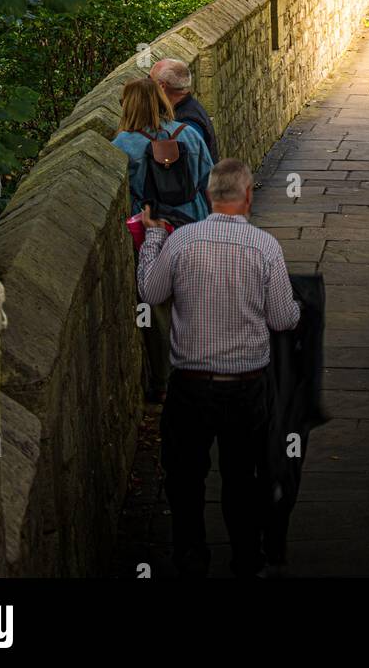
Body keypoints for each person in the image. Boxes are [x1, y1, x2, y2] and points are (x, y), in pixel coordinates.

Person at [137, 158, 301, 578]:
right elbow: (283, 319)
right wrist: (300, 307)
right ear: (248, 196)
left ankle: (191, 556)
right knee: (242, 478)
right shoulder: (265, 248)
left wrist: (153, 241)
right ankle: (246, 557)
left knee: (185, 478)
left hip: (190, 386)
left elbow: (151, 291)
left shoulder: (183, 241)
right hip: (247, 386)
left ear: (209, 195)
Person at [113, 78, 213, 402]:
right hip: (192, 224)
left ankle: (163, 381)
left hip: (150, 228)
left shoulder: (123, 145)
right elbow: (207, 181)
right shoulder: (189, 134)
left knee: (154, 304)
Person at [149, 58, 219, 163]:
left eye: (150, 79)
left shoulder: (189, 122)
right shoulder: (190, 108)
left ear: (161, 86)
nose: (147, 84)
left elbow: (191, 166)